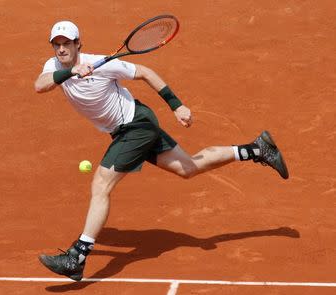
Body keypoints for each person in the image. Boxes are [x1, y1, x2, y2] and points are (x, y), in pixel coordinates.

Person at [34, 20, 289, 281]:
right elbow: (40, 85)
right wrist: (73, 71)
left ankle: (77, 257)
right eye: (57, 44)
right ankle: (257, 149)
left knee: (101, 184)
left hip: (136, 126)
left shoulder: (103, 64)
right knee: (189, 168)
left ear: (78, 44)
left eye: (67, 43)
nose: (62, 49)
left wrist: (176, 105)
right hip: (129, 129)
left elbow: (145, 72)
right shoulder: (53, 67)